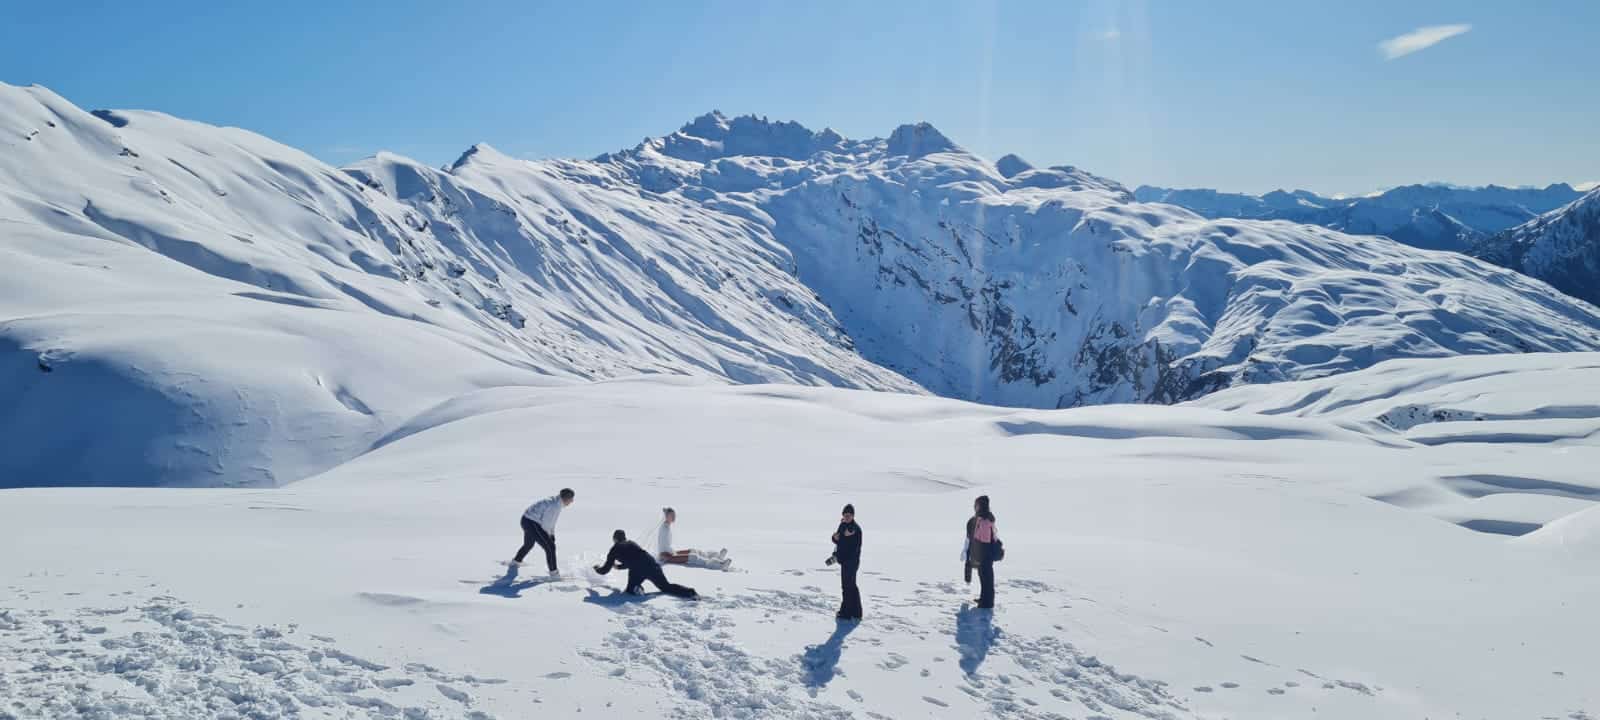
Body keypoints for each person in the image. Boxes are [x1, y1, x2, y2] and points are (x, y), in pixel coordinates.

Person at [593, 530, 698, 599]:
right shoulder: (632, 543)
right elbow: (634, 559)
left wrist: (596, 569)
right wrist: (619, 567)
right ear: (624, 537)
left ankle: (637, 589)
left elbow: (604, 570)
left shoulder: (614, 549)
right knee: (666, 587)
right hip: (651, 565)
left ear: (614, 539)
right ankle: (690, 592)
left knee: (630, 591)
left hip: (637, 570)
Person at [512, 488, 575, 577]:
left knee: (529, 544)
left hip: (527, 520)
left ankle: (516, 561)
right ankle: (554, 573)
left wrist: (551, 534)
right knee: (550, 547)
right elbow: (546, 524)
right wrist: (549, 537)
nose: (572, 501)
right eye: (571, 499)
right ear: (566, 498)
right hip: (531, 522)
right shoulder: (555, 506)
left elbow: (551, 522)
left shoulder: (557, 502)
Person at [656, 507, 730, 569]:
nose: (674, 517)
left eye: (674, 515)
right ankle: (720, 565)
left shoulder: (667, 526)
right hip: (665, 556)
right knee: (693, 557)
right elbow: (663, 545)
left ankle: (717, 557)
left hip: (669, 553)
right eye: (672, 515)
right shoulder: (664, 528)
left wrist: (673, 552)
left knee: (693, 551)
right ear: (667, 516)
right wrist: (667, 556)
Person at [963, 495, 998, 609]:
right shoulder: (985, 517)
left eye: (976, 504)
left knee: (986, 578)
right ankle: (984, 599)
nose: (975, 507)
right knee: (984, 577)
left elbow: (984, 540)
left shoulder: (984, 520)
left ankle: (987, 603)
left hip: (985, 554)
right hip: (986, 553)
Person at [831, 503, 863, 620]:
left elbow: (851, 547)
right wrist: (834, 538)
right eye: (845, 515)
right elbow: (839, 542)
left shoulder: (854, 528)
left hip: (851, 562)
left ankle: (846, 613)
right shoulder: (842, 525)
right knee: (851, 586)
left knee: (847, 587)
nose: (847, 517)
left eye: (849, 515)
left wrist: (847, 537)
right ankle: (857, 612)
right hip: (845, 561)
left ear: (853, 516)